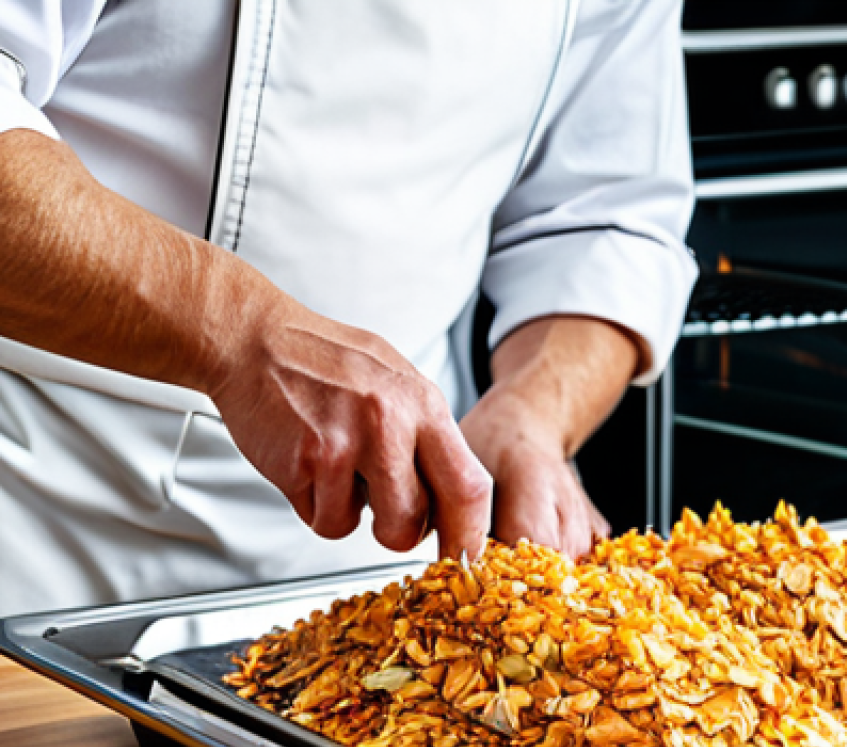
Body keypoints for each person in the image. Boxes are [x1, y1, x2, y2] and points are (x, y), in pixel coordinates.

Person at [0, 0, 696, 616]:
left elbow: (604, 215)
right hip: (46, 536)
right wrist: (241, 336)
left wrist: (535, 411)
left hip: (383, 573)